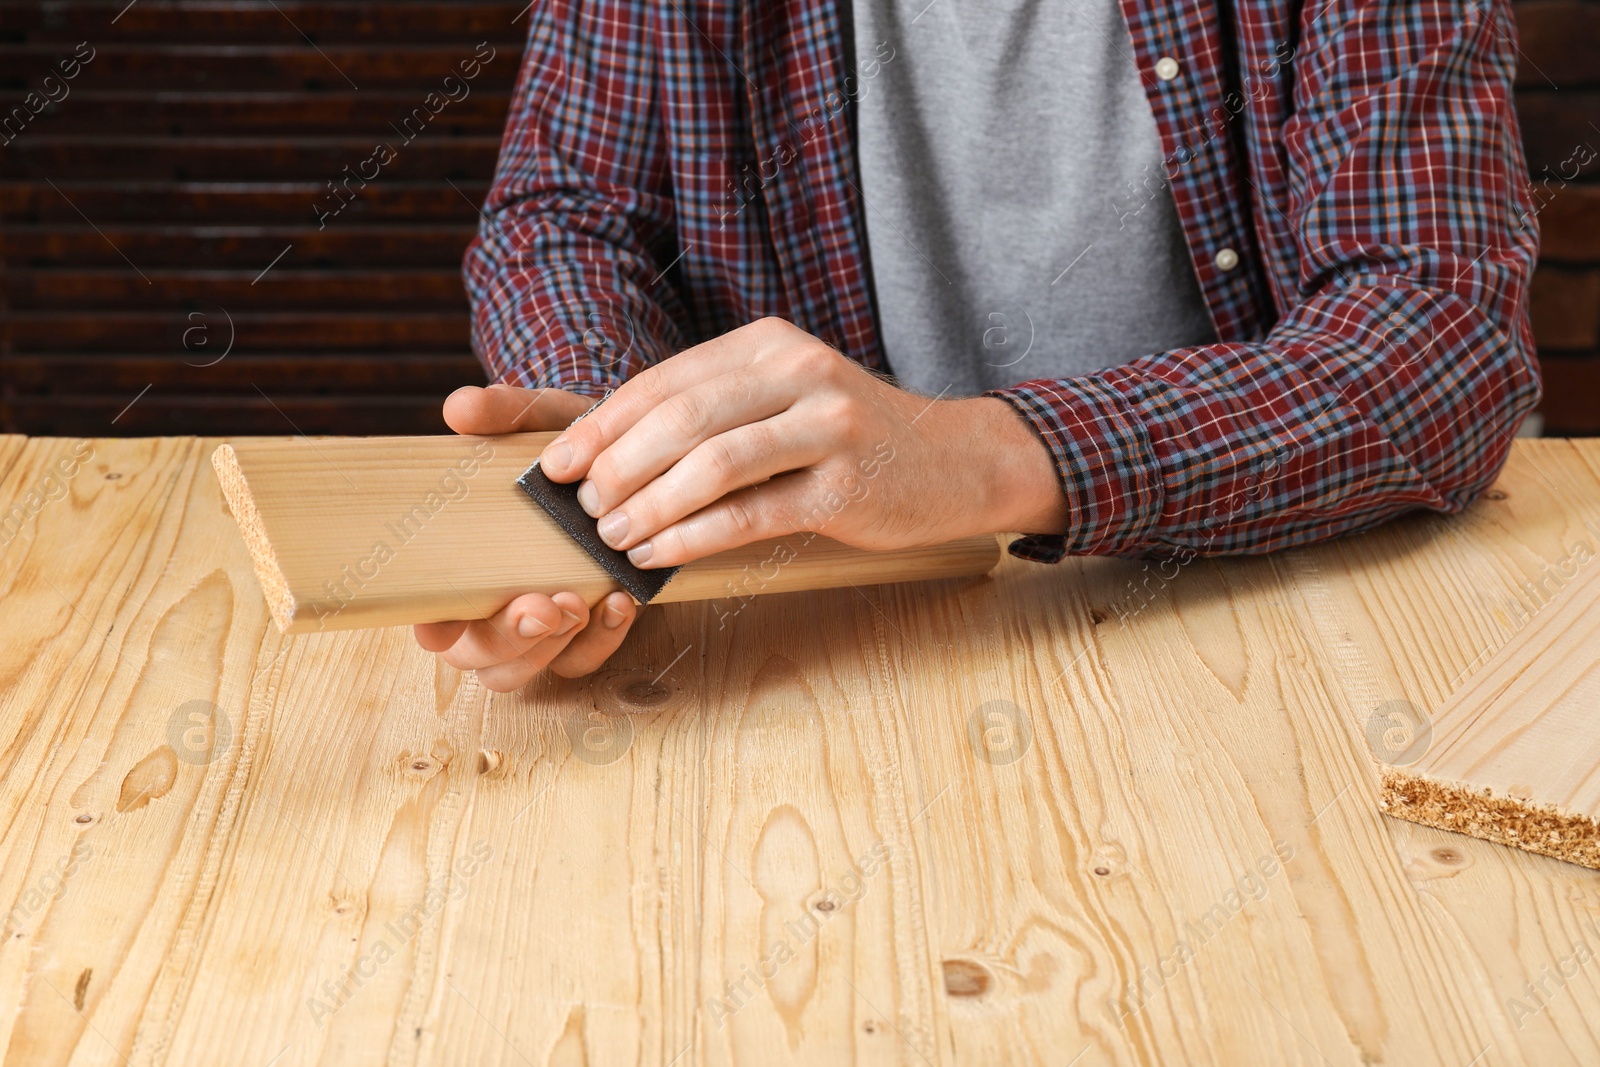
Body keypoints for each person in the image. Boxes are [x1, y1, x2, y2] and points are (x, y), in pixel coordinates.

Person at [414, 0, 1541, 691]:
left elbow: (1437, 327)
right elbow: (566, 217)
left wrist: (988, 456)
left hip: (1280, 598)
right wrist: (620, 451)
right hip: (842, 631)